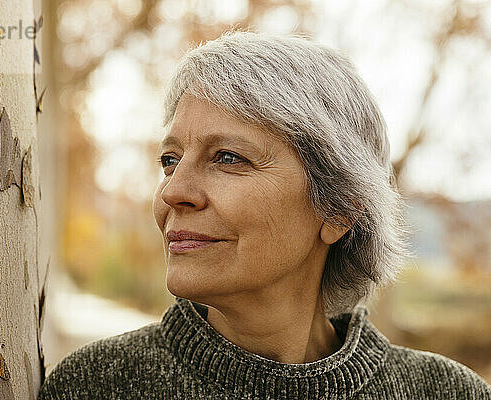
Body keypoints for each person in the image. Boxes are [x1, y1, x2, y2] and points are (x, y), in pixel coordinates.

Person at [38, 32, 491, 399]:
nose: (173, 191)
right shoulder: (95, 386)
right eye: (170, 160)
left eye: (228, 158)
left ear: (339, 210)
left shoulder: (448, 392)